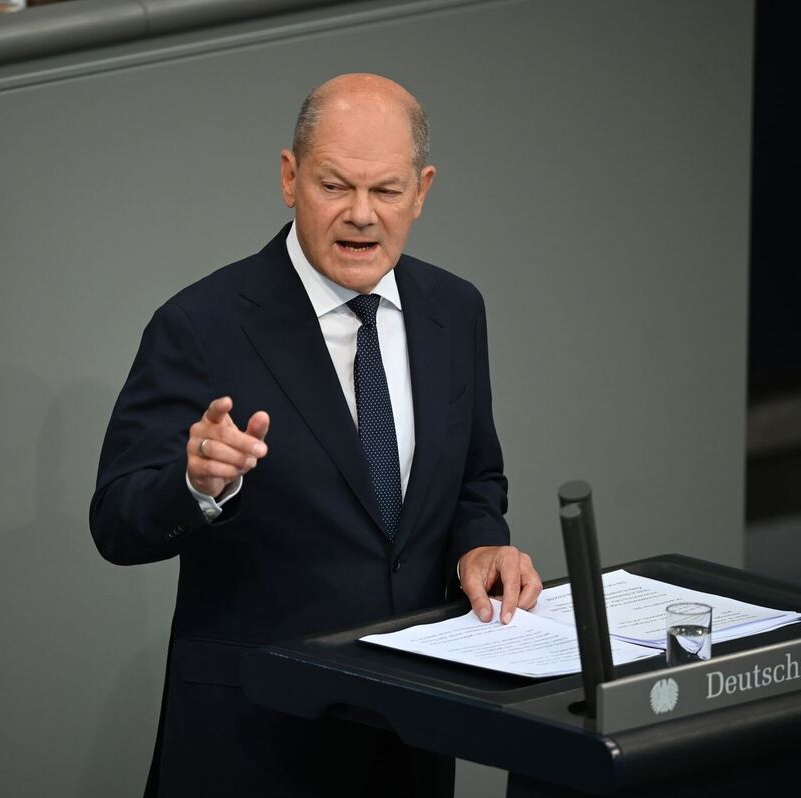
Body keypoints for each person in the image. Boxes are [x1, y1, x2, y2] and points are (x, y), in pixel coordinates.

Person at [90, 73, 542, 797]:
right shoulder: (201, 325)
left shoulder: (454, 311)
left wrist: (480, 544)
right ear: (289, 178)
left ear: (421, 191)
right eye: (335, 186)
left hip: (410, 737)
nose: (361, 214)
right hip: (254, 744)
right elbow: (117, 521)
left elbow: (475, 479)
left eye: (386, 190)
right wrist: (197, 485)